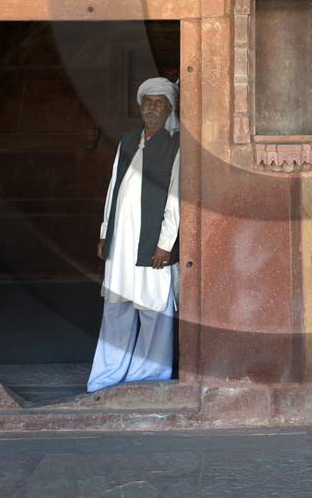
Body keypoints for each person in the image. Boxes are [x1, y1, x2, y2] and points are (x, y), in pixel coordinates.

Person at [86, 76, 181, 392]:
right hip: (121, 242)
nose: (152, 108)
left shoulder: (175, 144)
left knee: (153, 310)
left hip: (151, 243)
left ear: (169, 108)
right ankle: (108, 374)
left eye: (159, 102)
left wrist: (165, 243)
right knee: (117, 306)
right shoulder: (128, 140)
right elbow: (114, 188)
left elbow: (176, 196)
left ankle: (149, 377)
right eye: (147, 101)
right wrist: (105, 232)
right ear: (140, 105)